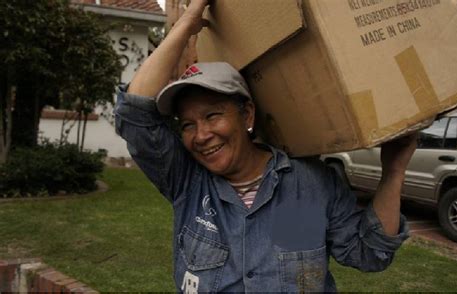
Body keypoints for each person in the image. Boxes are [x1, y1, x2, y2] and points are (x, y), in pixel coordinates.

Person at [115, 0, 417, 292]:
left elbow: (370, 253)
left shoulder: (311, 184)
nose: (201, 135)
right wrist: (188, 21)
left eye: (212, 115)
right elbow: (134, 113)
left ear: (247, 114)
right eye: (187, 124)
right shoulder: (186, 181)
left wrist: (393, 172)